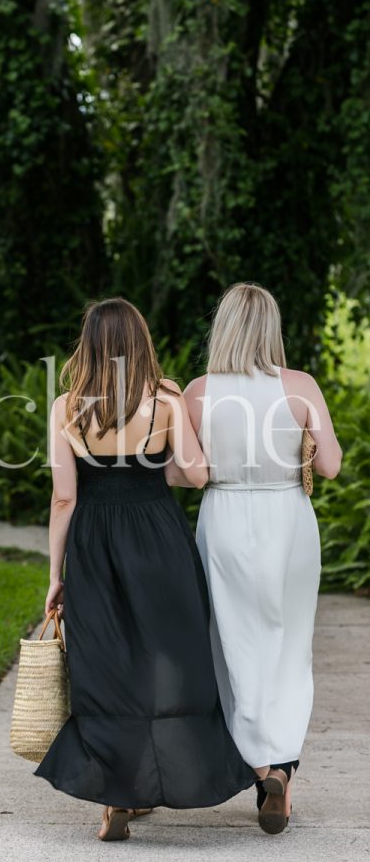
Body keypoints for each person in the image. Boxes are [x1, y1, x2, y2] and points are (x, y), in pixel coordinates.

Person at [33, 297, 255, 842]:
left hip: (93, 541)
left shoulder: (67, 407)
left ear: (88, 345)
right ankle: (165, 778)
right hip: (158, 536)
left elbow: (64, 499)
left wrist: (56, 575)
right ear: (141, 343)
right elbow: (197, 475)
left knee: (105, 662)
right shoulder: (165, 401)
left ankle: (117, 800)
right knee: (166, 655)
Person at [182, 282, 342, 835]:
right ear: (272, 328)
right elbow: (330, 467)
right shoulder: (299, 386)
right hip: (288, 521)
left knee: (232, 643)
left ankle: (262, 766)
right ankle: (283, 776)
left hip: (224, 515)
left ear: (222, 327)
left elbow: (185, 471)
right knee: (288, 646)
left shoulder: (198, 392)